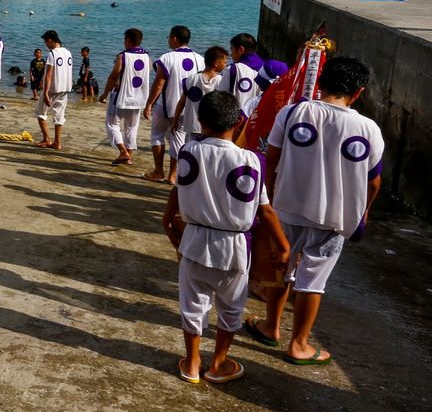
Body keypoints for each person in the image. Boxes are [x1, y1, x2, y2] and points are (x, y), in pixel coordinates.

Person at [246, 57, 384, 366]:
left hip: (288, 206)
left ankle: (271, 325)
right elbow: (374, 182)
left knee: (281, 267)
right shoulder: (368, 128)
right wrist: (363, 211)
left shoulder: (293, 112)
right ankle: (299, 343)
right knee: (313, 280)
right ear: (358, 92)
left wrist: (266, 200)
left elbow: (272, 162)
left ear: (320, 81)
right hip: (335, 215)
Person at [162, 91, 289, 384]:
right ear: (237, 122)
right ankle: (218, 363)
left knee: (193, 305)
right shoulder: (252, 160)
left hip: (194, 239)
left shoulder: (190, 151)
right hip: (234, 245)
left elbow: (180, 187)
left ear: (201, 121)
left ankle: (192, 363)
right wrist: (283, 245)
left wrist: (168, 217)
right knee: (231, 307)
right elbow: (266, 211)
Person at [142, 25, 197, 184]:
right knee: (178, 139)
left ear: (174, 39)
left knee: (157, 136)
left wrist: (149, 104)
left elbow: (159, 84)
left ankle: (159, 171)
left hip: (167, 105)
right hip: (188, 107)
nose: (168, 40)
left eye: (169, 37)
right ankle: (173, 175)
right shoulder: (199, 59)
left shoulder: (167, 58)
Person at [100, 28, 151, 166]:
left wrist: (104, 93)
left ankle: (123, 151)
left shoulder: (123, 56)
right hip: (138, 97)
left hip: (121, 96)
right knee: (132, 127)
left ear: (128, 40)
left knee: (112, 124)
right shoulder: (147, 56)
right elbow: (149, 72)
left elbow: (114, 76)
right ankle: (128, 156)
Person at [173, 46, 229, 142]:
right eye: (225, 62)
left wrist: (175, 121)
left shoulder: (191, 79)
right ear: (216, 64)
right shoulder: (222, 81)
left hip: (192, 125)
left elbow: (181, 103)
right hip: (212, 127)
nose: (226, 65)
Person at [34, 30, 73, 150]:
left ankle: (47, 139)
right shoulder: (68, 52)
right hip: (65, 88)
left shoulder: (52, 54)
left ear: (50, 40)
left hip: (53, 89)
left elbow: (49, 74)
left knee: (40, 112)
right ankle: (57, 142)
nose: (46, 44)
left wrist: (45, 92)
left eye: (46, 42)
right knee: (59, 115)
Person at [221, 33, 262, 117]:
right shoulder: (267, 71)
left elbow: (220, 99)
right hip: (256, 122)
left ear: (240, 50)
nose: (231, 54)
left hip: (235, 121)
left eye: (232, 50)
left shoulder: (232, 70)